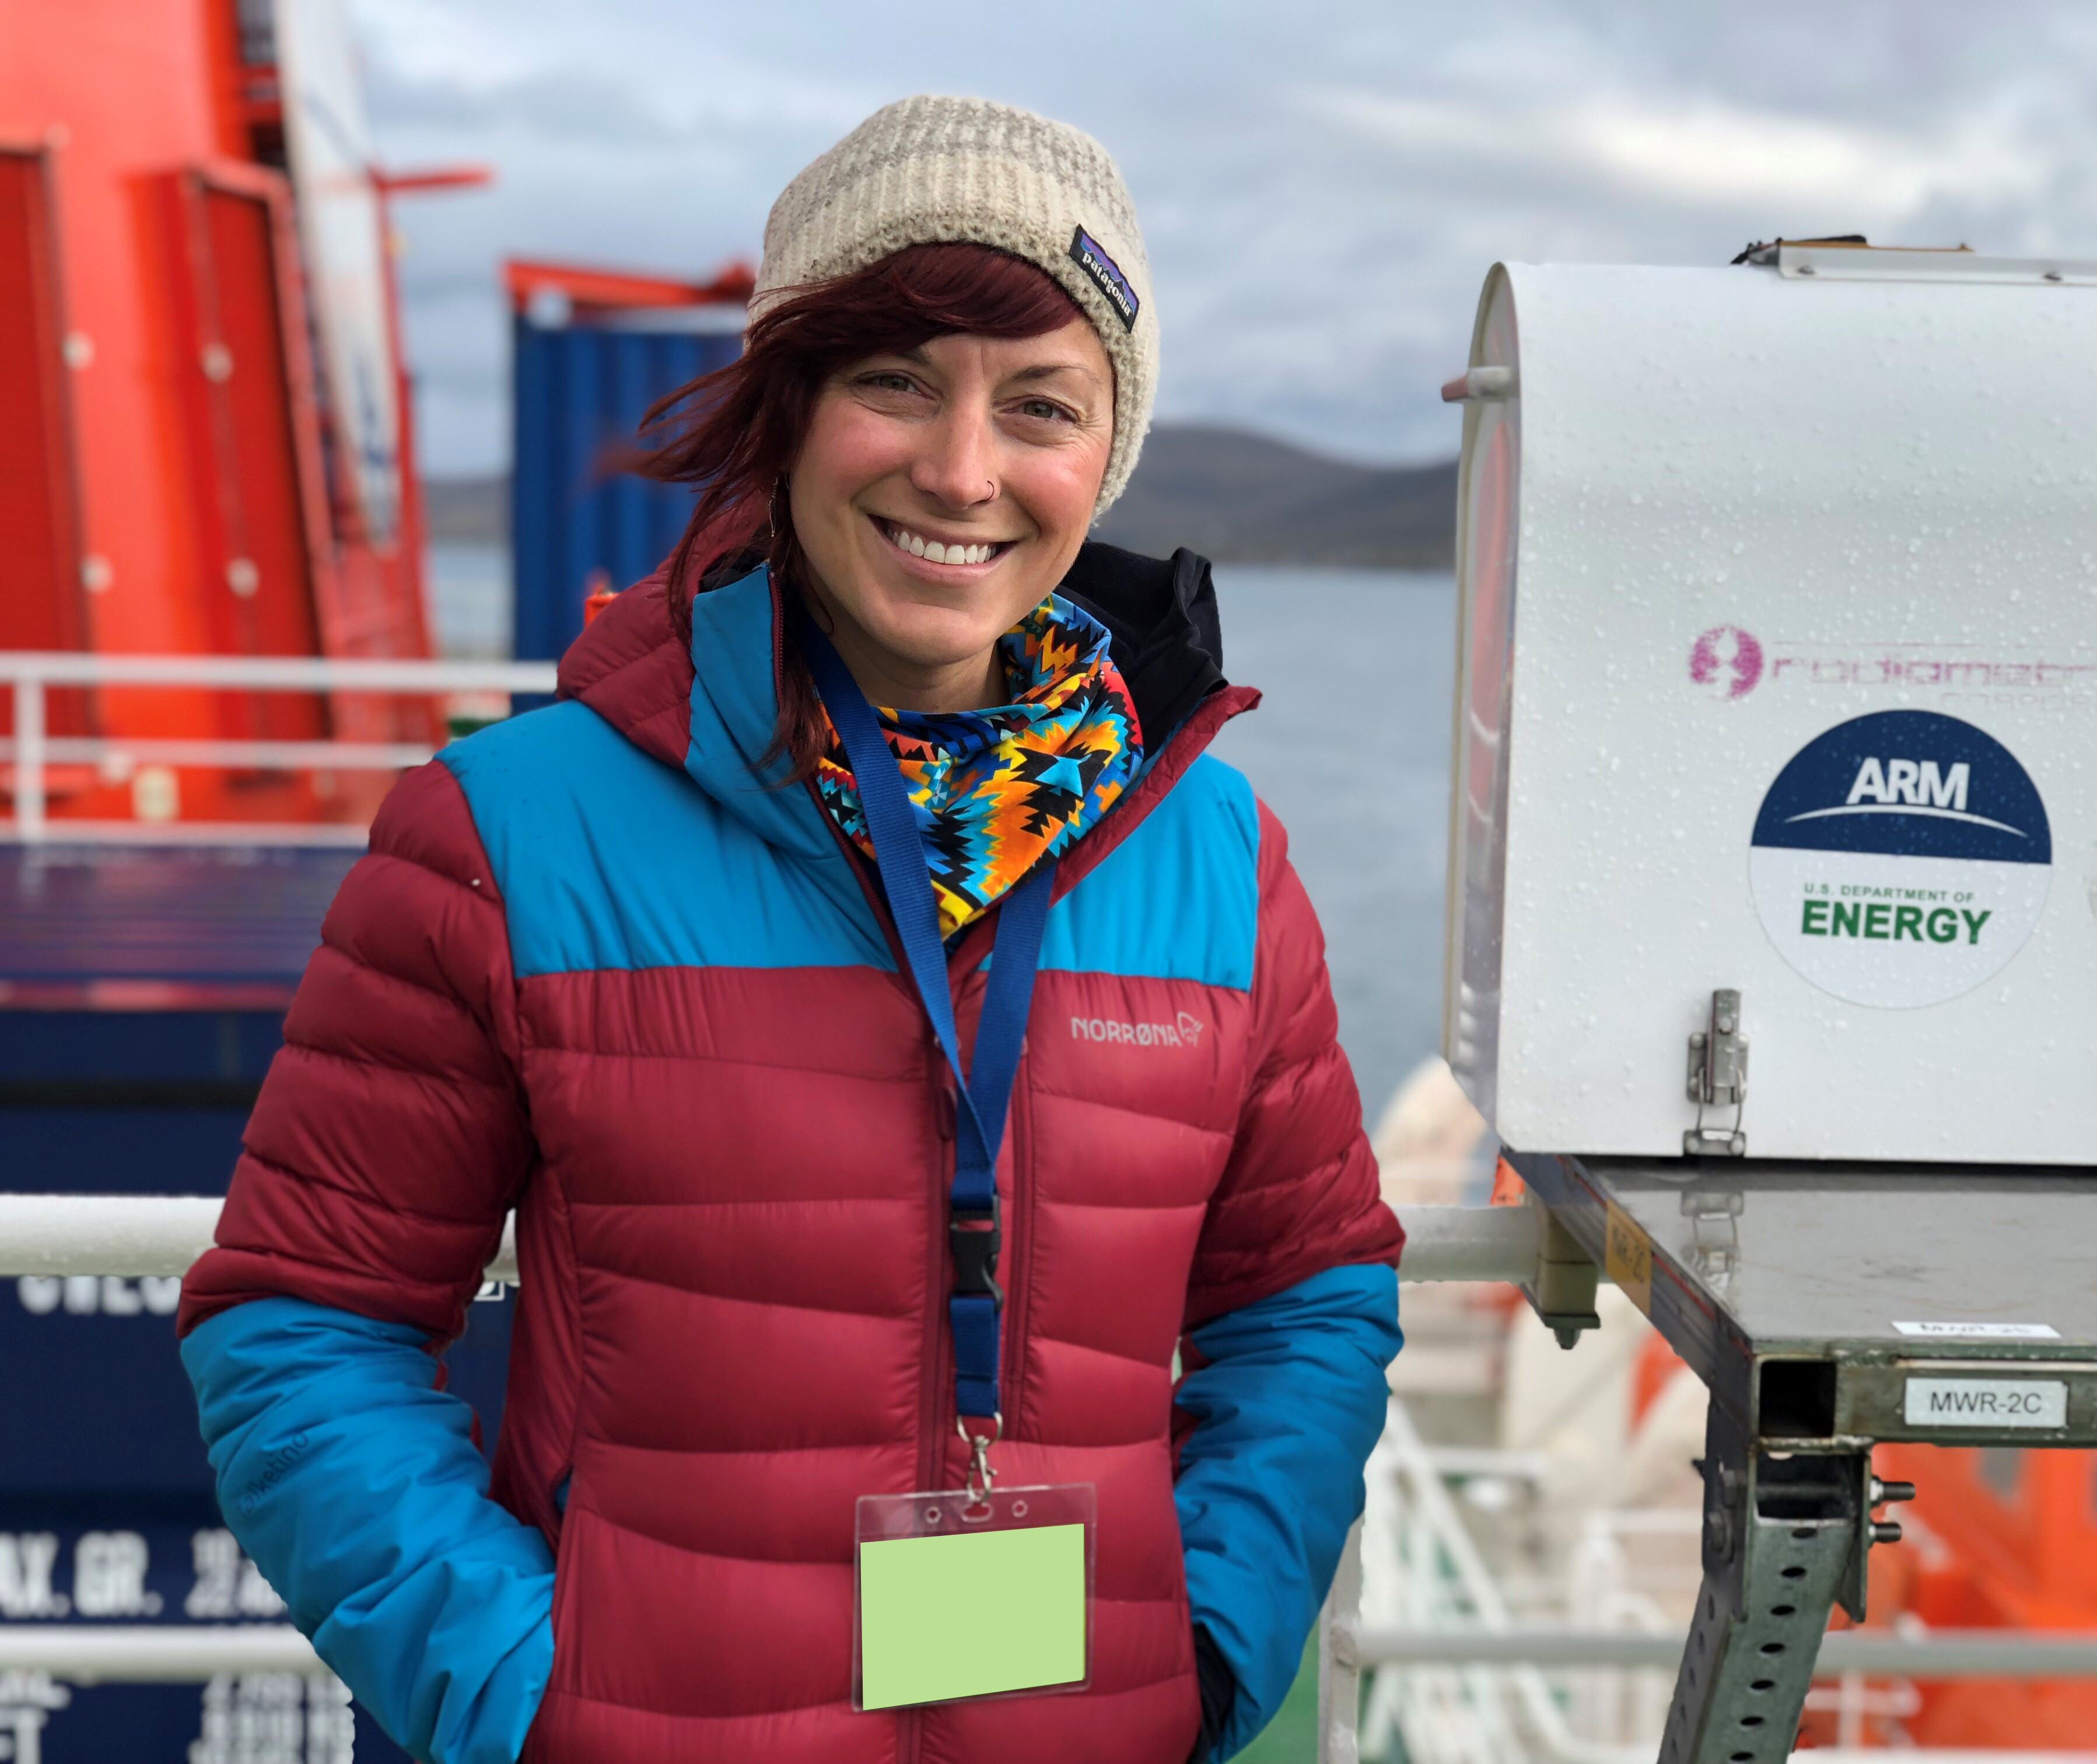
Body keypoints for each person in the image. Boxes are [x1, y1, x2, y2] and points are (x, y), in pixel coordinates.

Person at [178, 94, 1403, 1764]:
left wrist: (1209, 1643)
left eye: (1040, 404)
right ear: (788, 405)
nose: (963, 471)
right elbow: (299, 1321)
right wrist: (532, 1701)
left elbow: (1309, 1295)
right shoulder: (508, 833)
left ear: (1101, 458)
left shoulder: (1216, 857)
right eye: (895, 379)